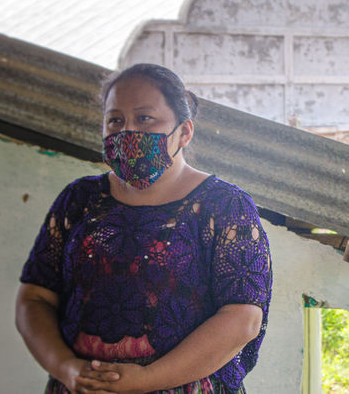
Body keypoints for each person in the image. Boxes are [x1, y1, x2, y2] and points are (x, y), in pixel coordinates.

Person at [15, 64, 272, 393]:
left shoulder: (225, 207)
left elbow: (242, 319)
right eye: (115, 120)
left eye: (145, 118)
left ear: (184, 132)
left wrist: (148, 381)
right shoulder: (79, 200)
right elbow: (33, 299)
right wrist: (66, 368)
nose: (127, 132)